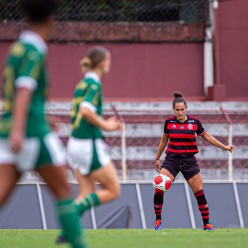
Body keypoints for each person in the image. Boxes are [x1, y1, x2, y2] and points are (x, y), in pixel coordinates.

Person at [0, 1, 86, 247]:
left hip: (8, 129)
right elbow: (24, 89)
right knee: (63, 193)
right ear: (52, 20)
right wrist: (20, 130)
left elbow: (19, 93)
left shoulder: (16, 47)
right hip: (31, 132)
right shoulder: (35, 48)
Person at [56, 46, 122, 243]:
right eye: (108, 59)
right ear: (102, 62)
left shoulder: (82, 83)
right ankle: (70, 213)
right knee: (113, 190)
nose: (109, 63)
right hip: (88, 145)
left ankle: (69, 231)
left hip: (75, 144)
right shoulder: (94, 84)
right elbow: (85, 111)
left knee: (86, 194)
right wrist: (107, 126)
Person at [153, 92, 235, 231]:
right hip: (171, 160)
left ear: (186, 108)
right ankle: (158, 220)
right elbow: (163, 141)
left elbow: (207, 137)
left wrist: (225, 147)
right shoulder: (169, 123)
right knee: (159, 187)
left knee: (199, 191)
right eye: (177, 110)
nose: (180, 112)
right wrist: (157, 158)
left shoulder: (194, 123)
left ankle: (207, 224)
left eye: (182, 109)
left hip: (189, 161)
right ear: (174, 110)